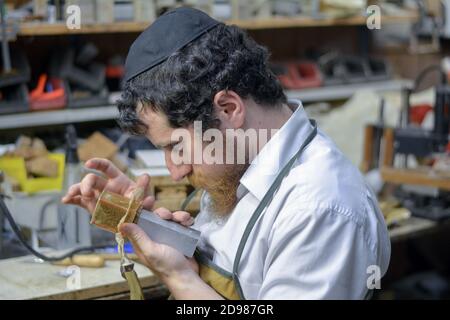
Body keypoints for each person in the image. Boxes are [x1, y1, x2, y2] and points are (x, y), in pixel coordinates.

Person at [62, 7, 390, 299]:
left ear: (229, 109)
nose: (175, 172)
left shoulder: (319, 211)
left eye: (176, 146)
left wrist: (177, 277)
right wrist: (142, 224)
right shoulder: (239, 169)